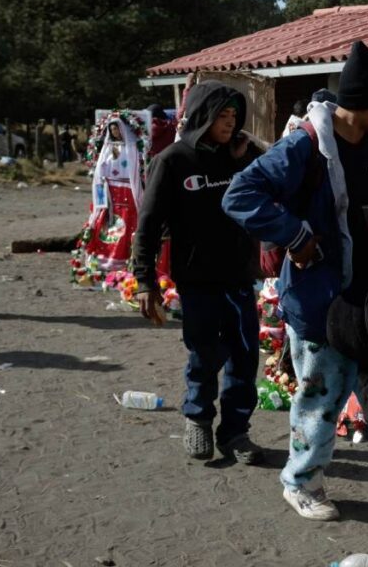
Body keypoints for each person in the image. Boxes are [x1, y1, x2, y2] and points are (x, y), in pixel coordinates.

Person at [222, 40, 368, 559]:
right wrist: (296, 236)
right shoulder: (305, 147)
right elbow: (239, 196)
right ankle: (301, 481)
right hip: (322, 306)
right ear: (362, 101)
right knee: (321, 403)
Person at [132, 81, 264, 464]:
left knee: (244, 356)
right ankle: (198, 419)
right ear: (203, 116)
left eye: (234, 116)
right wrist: (145, 281)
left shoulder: (237, 157)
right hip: (197, 279)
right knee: (205, 354)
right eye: (222, 115)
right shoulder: (173, 161)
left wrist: (243, 159)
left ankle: (236, 432)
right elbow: (149, 225)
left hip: (238, 277)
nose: (230, 122)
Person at [76, 115, 144, 284]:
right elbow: (101, 169)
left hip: (127, 190)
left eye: (117, 129)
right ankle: (103, 259)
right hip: (109, 191)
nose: (114, 132)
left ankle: (124, 260)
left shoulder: (131, 147)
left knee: (127, 223)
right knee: (106, 223)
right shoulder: (107, 147)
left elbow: (134, 170)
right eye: (112, 129)